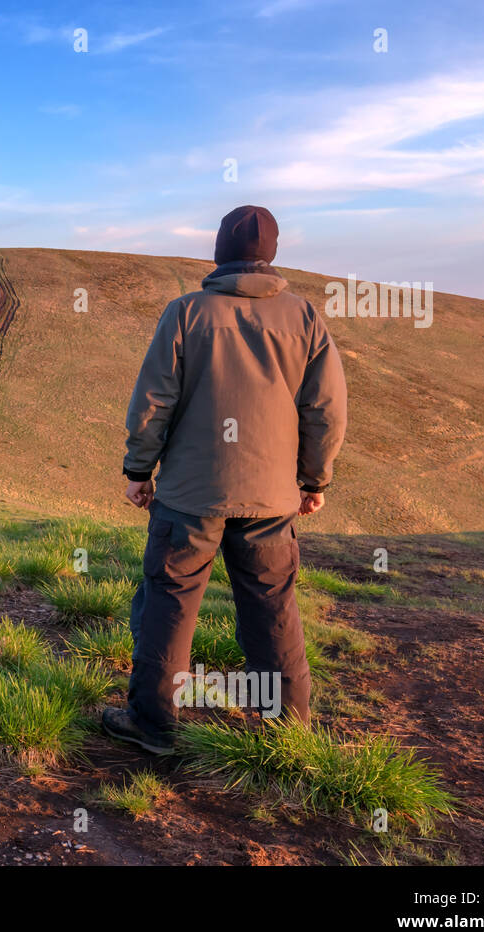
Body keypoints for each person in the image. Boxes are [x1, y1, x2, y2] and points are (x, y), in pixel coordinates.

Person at [102, 204, 348, 755]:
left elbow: (154, 400)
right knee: (272, 606)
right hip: (271, 497)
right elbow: (325, 409)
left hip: (190, 494)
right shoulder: (305, 317)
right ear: (273, 254)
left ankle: (154, 726)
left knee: (170, 601)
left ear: (219, 251)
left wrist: (139, 470)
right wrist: (313, 481)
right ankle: (287, 729)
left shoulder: (186, 312)